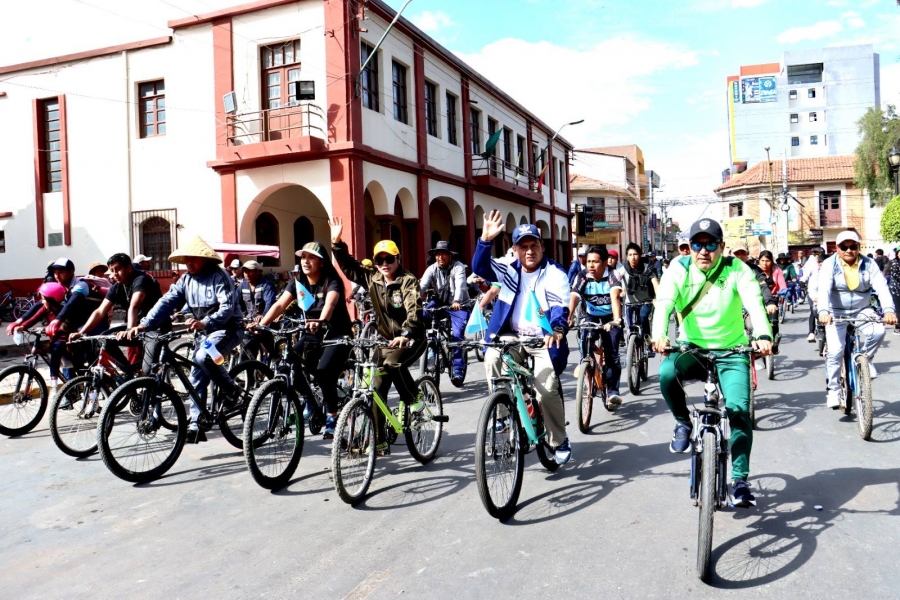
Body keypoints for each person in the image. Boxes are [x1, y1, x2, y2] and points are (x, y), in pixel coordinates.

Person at [651, 218, 772, 508]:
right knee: (667, 372)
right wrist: (659, 336)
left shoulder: (736, 269)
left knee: (739, 411)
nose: (703, 251)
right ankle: (682, 423)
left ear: (722, 247)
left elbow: (754, 302)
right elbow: (664, 303)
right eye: (697, 244)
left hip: (732, 351)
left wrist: (763, 333)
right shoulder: (678, 269)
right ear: (689, 247)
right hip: (692, 349)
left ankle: (740, 479)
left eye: (711, 244)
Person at [123, 235, 243, 443]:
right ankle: (196, 425)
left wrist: (205, 322)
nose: (189, 262)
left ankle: (232, 388)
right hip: (204, 334)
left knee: (203, 357)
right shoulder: (185, 280)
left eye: (194, 258)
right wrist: (144, 324)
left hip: (228, 329)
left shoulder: (219, 276)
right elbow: (166, 302)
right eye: (186, 258)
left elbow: (227, 308)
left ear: (205, 259)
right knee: (196, 375)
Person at [474, 212, 572, 464]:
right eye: (524, 247)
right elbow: (480, 267)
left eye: (534, 245)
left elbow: (560, 308)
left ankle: (558, 439)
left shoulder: (555, 273)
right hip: (511, 336)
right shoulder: (508, 270)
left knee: (546, 391)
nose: (529, 251)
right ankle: (504, 414)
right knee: (492, 357)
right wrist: (485, 239)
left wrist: (558, 330)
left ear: (542, 247)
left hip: (543, 340)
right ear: (515, 249)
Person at [330, 218, 425, 455]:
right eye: (380, 260)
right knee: (375, 388)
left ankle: (414, 398)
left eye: (389, 259)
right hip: (384, 340)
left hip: (412, 338)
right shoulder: (372, 277)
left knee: (394, 364)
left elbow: (414, 309)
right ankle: (380, 441)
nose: (384, 264)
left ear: (398, 259)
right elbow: (350, 267)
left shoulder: (408, 280)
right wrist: (336, 242)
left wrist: (406, 333)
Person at [256, 242, 352, 439]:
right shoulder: (298, 281)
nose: (306, 261)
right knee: (289, 363)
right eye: (303, 257)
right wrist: (261, 325)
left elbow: (331, 304)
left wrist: (321, 321)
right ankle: (311, 401)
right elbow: (280, 304)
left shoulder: (331, 280)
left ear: (322, 262)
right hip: (312, 334)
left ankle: (332, 418)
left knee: (324, 372)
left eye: (311, 257)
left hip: (337, 334)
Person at [817, 231, 897, 408]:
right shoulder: (830, 264)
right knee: (836, 351)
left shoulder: (869, 264)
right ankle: (834, 390)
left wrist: (889, 310)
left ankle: (866, 360)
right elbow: (823, 289)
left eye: (853, 246)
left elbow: (882, 288)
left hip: (862, 309)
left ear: (858, 248)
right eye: (844, 247)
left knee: (878, 331)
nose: (848, 250)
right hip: (835, 311)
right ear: (837, 249)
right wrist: (823, 311)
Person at [69, 253, 166, 374]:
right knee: (103, 339)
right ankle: (129, 371)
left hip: (155, 327)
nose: (114, 274)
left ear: (129, 268)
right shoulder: (117, 286)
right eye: (111, 271)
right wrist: (81, 332)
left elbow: (134, 306)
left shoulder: (141, 279)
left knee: (148, 371)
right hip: (135, 327)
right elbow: (100, 311)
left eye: (117, 269)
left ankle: (154, 385)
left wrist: (129, 329)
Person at [569, 245, 624, 408]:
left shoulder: (613, 275)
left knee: (612, 352)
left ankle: (613, 391)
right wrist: (569, 315)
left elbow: (615, 297)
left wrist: (616, 320)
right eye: (588, 262)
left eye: (595, 262)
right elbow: (574, 296)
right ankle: (585, 363)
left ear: (606, 263)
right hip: (590, 315)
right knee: (585, 335)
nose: (591, 265)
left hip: (610, 317)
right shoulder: (583, 275)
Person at [420, 240, 470, 385]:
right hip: (440, 303)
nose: (440, 257)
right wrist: (413, 298)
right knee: (421, 315)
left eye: (443, 254)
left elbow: (460, 285)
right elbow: (422, 286)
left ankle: (458, 369)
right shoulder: (432, 268)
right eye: (437, 254)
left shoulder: (458, 267)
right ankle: (429, 344)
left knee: (457, 335)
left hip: (459, 305)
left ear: (450, 255)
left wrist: (457, 301)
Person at [613, 242, 658, 357]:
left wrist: (657, 298)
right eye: (630, 255)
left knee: (643, 318)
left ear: (640, 255)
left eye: (635, 254)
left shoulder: (648, 268)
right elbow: (615, 281)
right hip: (629, 303)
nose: (633, 257)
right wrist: (618, 292)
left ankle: (648, 344)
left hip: (646, 302)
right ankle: (631, 352)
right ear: (627, 257)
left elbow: (655, 284)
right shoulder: (623, 269)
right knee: (630, 327)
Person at [238, 260, 277, 361]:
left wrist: (263, 316)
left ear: (258, 271)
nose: (247, 274)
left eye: (250, 271)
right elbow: (236, 303)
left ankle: (274, 364)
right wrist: (241, 315)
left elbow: (270, 303)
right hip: (248, 323)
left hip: (264, 323)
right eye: (245, 271)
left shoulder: (266, 285)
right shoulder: (242, 286)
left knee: (270, 351)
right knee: (247, 354)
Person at [889, 249, 900, 335]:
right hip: (896, 289)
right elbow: (896, 275)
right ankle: (898, 327)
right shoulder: (894, 263)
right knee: (898, 308)